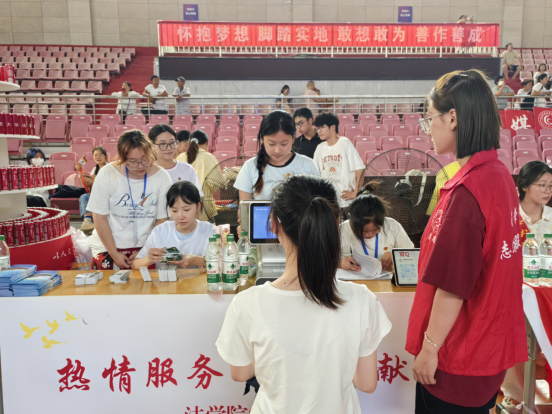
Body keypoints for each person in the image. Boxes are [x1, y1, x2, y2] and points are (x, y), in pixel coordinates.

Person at [216, 174, 392, 413]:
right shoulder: (362, 299)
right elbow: (366, 383)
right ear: (335, 225)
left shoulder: (246, 303)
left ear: (274, 226)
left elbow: (240, 373)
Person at [406, 69, 526, 413]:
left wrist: (430, 349)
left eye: (430, 118)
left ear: (453, 118)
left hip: (458, 355)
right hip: (486, 347)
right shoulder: (499, 175)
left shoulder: (468, 192)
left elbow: (453, 285)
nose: (428, 127)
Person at [87, 130, 173, 270]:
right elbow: (99, 217)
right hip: (109, 246)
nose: (140, 166)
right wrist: (114, 253)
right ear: (122, 158)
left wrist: (145, 250)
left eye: (144, 159)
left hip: (146, 245)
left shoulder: (162, 177)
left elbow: (162, 219)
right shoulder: (107, 174)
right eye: (132, 162)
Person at [234, 110, 319, 202]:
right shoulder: (250, 167)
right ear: (262, 140)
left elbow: (317, 206)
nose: (277, 150)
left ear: (293, 139)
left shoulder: (307, 165)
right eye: (271, 144)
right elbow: (245, 208)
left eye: (284, 144)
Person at [132, 181, 216, 269]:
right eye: (174, 211)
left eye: (186, 210)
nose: (180, 216)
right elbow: (135, 265)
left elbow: (222, 265)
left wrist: (196, 260)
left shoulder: (210, 231)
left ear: (198, 206)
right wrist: (149, 259)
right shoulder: (160, 231)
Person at [340, 182, 414, 273]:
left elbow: (412, 255)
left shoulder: (392, 226)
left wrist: (396, 256)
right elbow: (327, 260)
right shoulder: (342, 230)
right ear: (351, 218)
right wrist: (340, 263)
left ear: (383, 221)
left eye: (375, 230)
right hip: (353, 279)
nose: (368, 235)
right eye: (362, 231)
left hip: (386, 278)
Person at [312, 112, 365, 216]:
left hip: (346, 203)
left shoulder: (344, 143)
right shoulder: (319, 148)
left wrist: (356, 192)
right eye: (318, 128)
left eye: (322, 127)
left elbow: (360, 168)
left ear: (333, 127)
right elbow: (314, 175)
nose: (319, 131)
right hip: (328, 203)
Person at [178, 130, 224, 222]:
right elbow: (215, 184)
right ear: (206, 143)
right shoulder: (209, 157)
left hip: (182, 207)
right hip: (204, 208)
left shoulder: (180, 157)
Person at [148, 124, 202, 195]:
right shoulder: (146, 171)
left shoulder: (188, 169)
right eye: (163, 144)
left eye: (172, 143)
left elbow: (197, 198)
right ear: (152, 145)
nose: (169, 148)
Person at [518, 161, 552, 243]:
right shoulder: (510, 217)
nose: (548, 191)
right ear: (524, 186)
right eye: (542, 185)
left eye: (551, 186)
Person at [76, 146, 108, 232]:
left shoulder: (109, 168)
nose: (98, 157)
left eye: (101, 155)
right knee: (84, 197)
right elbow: (87, 184)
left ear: (105, 156)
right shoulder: (95, 169)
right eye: (95, 155)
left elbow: (112, 184)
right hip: (96, 195)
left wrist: (98, 180)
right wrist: (80, 171)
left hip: (107, 196)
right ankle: (88, 222)